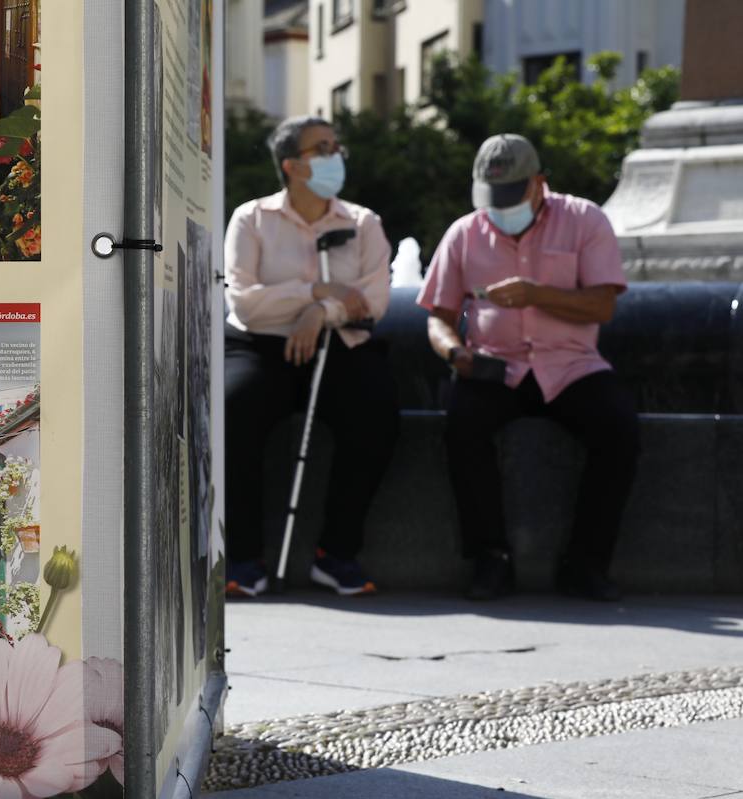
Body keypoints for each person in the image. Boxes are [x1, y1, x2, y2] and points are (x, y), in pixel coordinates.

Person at [419, 133, 637, 602]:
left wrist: (537, 294)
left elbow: (602, 305)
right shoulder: (464, 232)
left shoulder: (584, 220)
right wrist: (455, 353)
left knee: (618, 428)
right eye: (490, 198)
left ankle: (586, 562)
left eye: (511, 196)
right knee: (462, 427)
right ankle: (489, 558)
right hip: (495, 366)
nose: (499, 208)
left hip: (571, 365)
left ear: (539, 183)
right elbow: (437, 316)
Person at [223, 115, 397, 598]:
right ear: (293, 166)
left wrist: (321, 311)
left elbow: (374, 300)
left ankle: (336, 554)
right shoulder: (251, 218)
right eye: (323, 147)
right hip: (261, 344)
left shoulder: (363, 224)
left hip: (337, 341)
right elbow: (245, 301)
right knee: (234, 409)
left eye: (336, 145)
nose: (336, 154)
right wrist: (314, 289)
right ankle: (243, 557)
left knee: (376, 412)